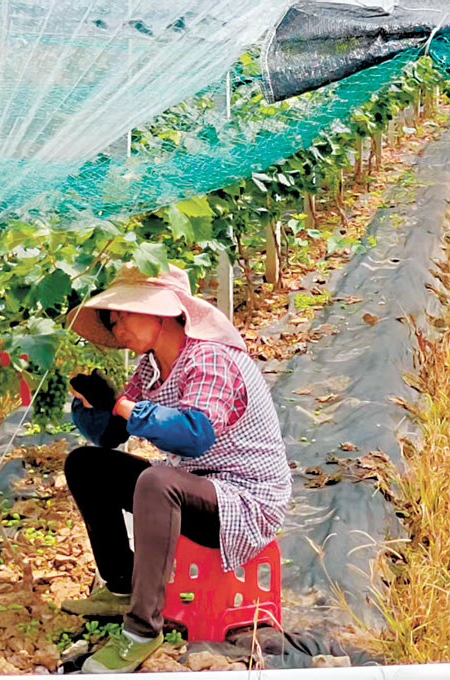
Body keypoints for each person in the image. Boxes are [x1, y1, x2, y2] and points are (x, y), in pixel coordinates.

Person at [60, 263, 291, 673]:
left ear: (163, 311)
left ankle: (142, 631)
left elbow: (193, 434)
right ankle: (123, 586)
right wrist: (89, 406)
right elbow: (114, 433)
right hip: (194, 485)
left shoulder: (210, 358)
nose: (117, 327)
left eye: (125, 313)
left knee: (157, 482)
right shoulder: (150, 368)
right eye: (112, 319)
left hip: (244, 497)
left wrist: (121, 406)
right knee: (85, 464)